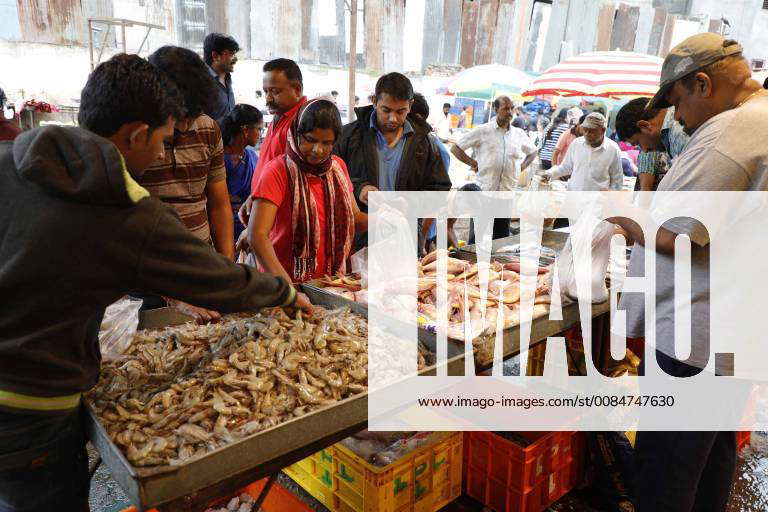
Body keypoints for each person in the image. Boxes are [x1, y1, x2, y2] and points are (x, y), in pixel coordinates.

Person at [0, 54, 309, 512]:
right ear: (137, 135)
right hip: (31, 410)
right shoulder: (125, 213)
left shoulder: (11, 160)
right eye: (163, 140)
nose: (162, 153)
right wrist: (284, 292)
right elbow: (217, 281)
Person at [609, 33, 768, 512]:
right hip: (728, 333)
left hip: (693, 340)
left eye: (678, 102)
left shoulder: (731, 132)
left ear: (703, 84)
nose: (676, 115)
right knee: (709, 461)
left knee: (665, 475)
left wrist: (619, 218)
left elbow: (679, 235)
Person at [136, 46, 234, 321]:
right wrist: (173, 297)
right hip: (148, 283)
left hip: (201, 271)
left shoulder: (208, 129)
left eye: (192, 116)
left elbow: (219, 204)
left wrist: (226, 268)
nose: (185, 126)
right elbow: (127, 227)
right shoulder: (136, 139)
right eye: (179, 117)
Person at [248, 99, 366, 288]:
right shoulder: (277, 171)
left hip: (327, 283)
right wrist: (288, 290)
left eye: (327, 143)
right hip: (283, 283)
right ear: (297, 133)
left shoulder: (337, 168)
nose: (318, 150)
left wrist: (386, 218)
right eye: (310, 140)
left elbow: (353, 218)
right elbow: (257, 236)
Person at [334, 72, 451, 210]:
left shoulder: (424, 144)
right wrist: (360, 189)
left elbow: (440, 189)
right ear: (375, 101)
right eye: (386, 110)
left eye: (400, 112)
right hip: (361, 226)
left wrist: (412, 203)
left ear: (410, 105)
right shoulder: (348, 136)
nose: (393, 118)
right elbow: (331, 180)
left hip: (404, 227)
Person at [451, 96, 536, 238]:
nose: (510, 112)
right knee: (476, 238)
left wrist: (522, 166)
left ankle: (494, 260)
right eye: (505, 109)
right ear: (496, 109)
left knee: (500, 239)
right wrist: (473, 163)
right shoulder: (483, 130)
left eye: (511, 108)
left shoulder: (518, 134)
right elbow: (456, 148)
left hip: (506, 196)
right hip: (484, 194)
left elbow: (533, 152)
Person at [238, 58, 308, 231]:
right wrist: (255, 196)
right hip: (266, 209)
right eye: (265, 91)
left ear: (297, 89)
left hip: (280, 220)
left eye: (275, 91)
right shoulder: (279, 115)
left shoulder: (301, 122)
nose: (268, 98)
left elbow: (291, 181)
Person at [615, 96, 690, 191]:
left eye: (638, 143)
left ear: (644, 126)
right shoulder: (671, 132)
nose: (645, 151)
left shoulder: (677, 133)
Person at [544, 112, 623, 191]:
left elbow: (617, 181)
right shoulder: (576, 144)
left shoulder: (613, 149)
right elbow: (566, 167)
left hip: (596, 200)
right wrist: (549, 173)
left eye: (592, 131)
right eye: (585, 130)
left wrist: (609, 195)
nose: (587, 134)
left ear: (603, 130)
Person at [222, 104, 263, 245]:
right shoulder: (221, 159)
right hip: (225, 228)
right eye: (258, 129)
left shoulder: (251, 156)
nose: (260, 134)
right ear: (245, 130)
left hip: (248, 226)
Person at [203, 33, 240, 125]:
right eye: (231, 53)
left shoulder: (227, 78)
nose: (236, 59)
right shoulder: (201, 82)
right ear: (215, 56)